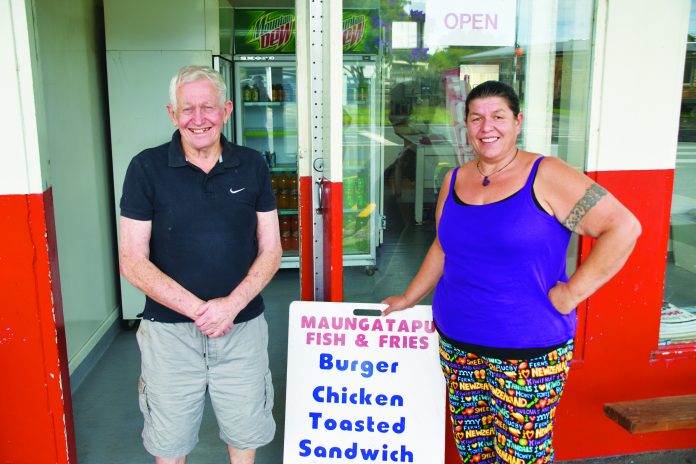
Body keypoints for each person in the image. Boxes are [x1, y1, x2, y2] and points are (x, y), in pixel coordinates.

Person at [381, 80, 641, 464]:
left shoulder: (546, 174)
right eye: (477, 118)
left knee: (522, 458)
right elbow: (443, 245)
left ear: (517, 122)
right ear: (465, 125)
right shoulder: (454, 179)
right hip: (459, 345)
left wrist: (571, 294)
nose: (487, 127)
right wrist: (409, 297)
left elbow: (623, 227)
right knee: (475, 454)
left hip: (527, 353)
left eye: (498, 116)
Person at [118, 65, 282, 464]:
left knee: (245, 435)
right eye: (186, 109)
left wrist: (230, 306)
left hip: (241, 328)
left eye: (207, 107)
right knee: (169, 444)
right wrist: (200, 311)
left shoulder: (252, 165)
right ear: (172, 115)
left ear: (225, 110)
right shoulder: (145, 168)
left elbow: (272, 249)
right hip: (169, 336)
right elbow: (131, 260)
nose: (198, 118)